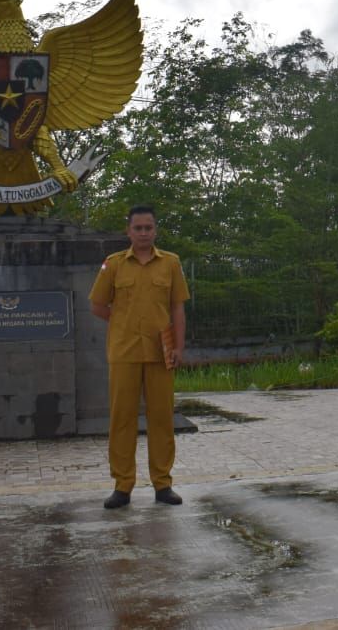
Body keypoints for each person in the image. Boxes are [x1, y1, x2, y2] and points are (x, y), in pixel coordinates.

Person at [89, 205, 189, 509]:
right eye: (138, 228)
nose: (144, 233)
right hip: (124, 352)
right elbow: (97, 305)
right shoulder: (114, 264)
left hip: (162, 353)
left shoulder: (170, 263)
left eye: (149, 228)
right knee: (122, 419)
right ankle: (122, 485)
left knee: (162, 419)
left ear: (155, 230)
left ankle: (163, 484)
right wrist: (122, 323)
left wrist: (179, 347)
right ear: (128, 231)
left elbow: (177, 309)